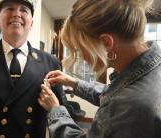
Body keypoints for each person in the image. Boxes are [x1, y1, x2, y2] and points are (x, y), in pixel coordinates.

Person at [38, 0, 161, 138]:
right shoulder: (150, 71)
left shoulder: (129, 104)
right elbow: (113, 94)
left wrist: (55, 109)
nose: (82, 57)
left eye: (79, 49)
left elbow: (120, 101)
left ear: (106, 43)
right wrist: (73, 82)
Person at [0, 0, 65, 137]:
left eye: (23, 10)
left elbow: (59, 109)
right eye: (9, 9)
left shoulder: (50, 62)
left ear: (32, 23)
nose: (16, 14)